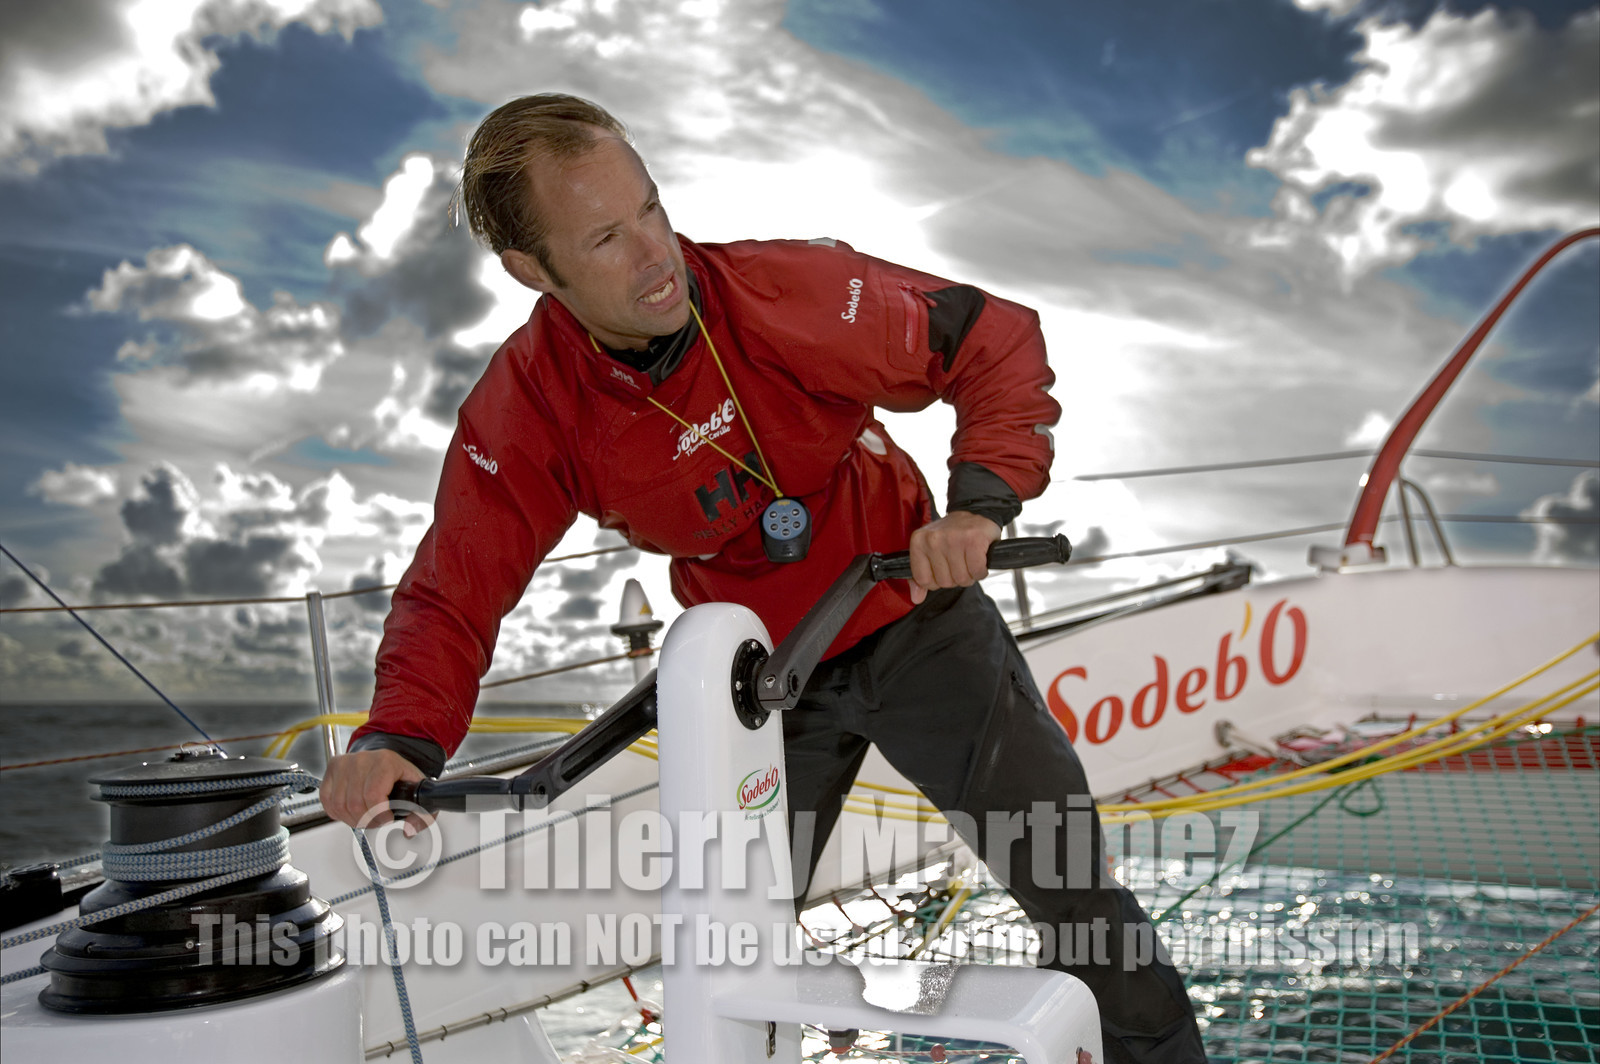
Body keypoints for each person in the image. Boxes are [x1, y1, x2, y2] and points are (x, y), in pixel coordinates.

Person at [320, 94, 1207, 1063]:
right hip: (756, 675)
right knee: (732, 947)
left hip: (913, 611)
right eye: (608, 236)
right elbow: (457, 582)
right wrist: (397, 732)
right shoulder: (527, 405)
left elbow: (991, 337)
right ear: (534, 269)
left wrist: (978, 506)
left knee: (1073, 889)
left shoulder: (787, 289)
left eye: (652, 208)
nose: (657, 253)